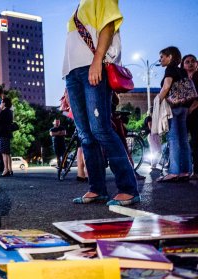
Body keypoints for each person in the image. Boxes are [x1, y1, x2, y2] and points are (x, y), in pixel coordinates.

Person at [62, 0, 139, 206]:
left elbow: (108, 26)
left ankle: (128, 188)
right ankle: (97, 189)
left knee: (101, 129)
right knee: (85, 134)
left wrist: (97, 60)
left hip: (92, 66)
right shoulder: (79, 5)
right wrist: (67, 87)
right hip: (73, 73)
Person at [157, 47, 193, 183]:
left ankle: (173, 172)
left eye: (162, 57)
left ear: (170, 56)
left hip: (174, 107)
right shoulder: (182, 70)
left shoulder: (170, 69)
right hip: (184, 107)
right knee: (183, 139)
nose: (160, 60)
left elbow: (166, 87)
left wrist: (157, 102)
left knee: (173, 139)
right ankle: (185, 171)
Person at [181, 54, 198, 180]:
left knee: (196, 141)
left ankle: (196, 171)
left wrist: (192, 108)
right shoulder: (183, 79)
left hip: (196, 114)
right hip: (186, 114)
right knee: (186, 142)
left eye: (193, 61)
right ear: (183, 65)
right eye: (187, 62)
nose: (190, 64)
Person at [0, 97, 14, 177]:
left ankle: (6, 170)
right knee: (6, 152)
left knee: (4, 153)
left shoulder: (3, 112)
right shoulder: (10, 112)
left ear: (4, 103)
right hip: (7, 133)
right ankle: (9, 169)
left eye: (2, 102)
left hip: (2, 133)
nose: (0, 104)